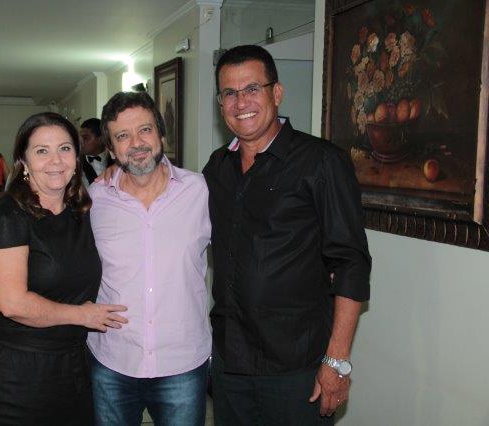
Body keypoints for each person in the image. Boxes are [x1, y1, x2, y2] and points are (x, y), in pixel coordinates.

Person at [203, 45, 372, 425]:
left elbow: (351, 264)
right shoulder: (218, 167)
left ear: (276, 93)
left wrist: (337, 361)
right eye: (229, 93)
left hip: (296, 367)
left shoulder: (322, 161)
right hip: (230, 362)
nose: (240, 102)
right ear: (220, 103)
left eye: (252, 89)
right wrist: (121, 171)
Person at [0, 112, 128, 425]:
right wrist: (83, 315)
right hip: (18, 375)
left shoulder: (81, 212)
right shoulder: (5, 216)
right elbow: (12, 303)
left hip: (74, 367)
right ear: (23, 161)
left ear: (77, 157)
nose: (55, 160)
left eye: (65, 149)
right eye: (42, 150)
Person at [88, 92, 211, 425]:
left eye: (145, 130)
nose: (136, 143)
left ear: (161, 135)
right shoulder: (93, 201)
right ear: (111, 149)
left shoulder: (200, 192)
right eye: (122, 136)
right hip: (113, 359)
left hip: (182, 362)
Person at [79, 118, 114, 185]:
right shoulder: (76, 163)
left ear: (101, 139)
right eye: (80, 138)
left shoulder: (116, 161)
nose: (81, 142)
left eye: (85, 138)